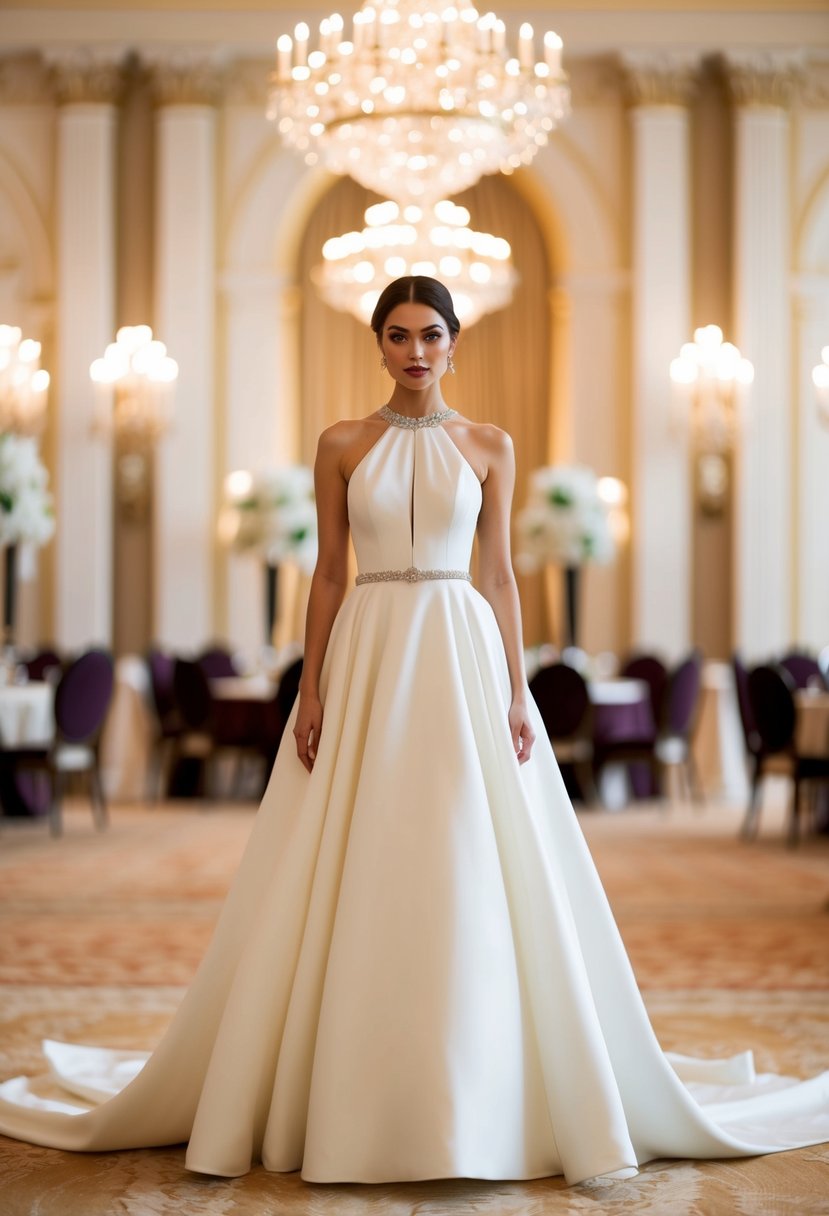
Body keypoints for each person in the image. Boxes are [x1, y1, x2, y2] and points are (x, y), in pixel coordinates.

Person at [0, 276, 827, 1185]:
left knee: (466, 844)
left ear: (454, 343)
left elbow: (503, 577)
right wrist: (309, 689)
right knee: (361, 844)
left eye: (430, 335)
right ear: (379, 345)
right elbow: (324, 576)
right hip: (367, 645)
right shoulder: (342, 444)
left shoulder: (489, 445)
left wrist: (518, 689)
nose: (414, 351)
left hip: (461, 648)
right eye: (397, 336)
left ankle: (480, 1078)